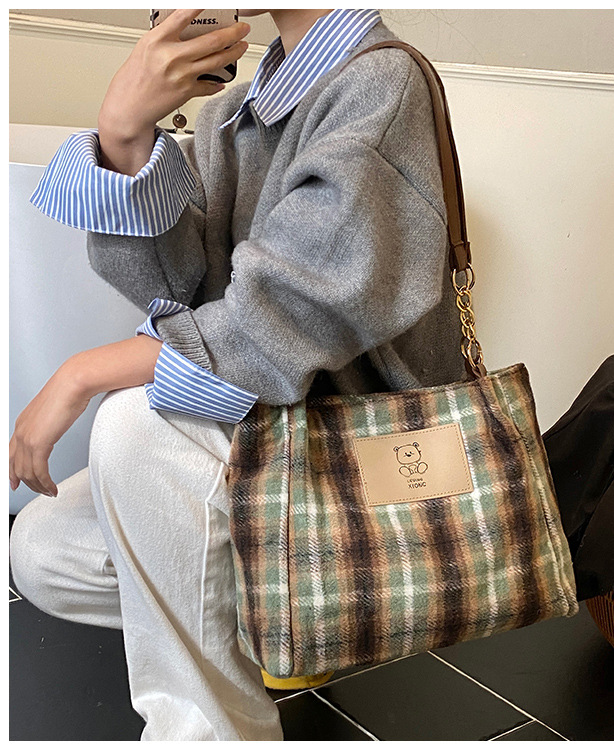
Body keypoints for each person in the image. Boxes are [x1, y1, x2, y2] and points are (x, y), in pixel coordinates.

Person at [9, 8, 464, 741]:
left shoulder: (381, 82)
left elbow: (287, 320)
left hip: (361, 470)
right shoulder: (230, 115)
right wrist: (124, 135)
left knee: (133, 423)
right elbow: (175, 291)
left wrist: (82, 374)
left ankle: (210, 730)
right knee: (44, 550)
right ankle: (281, 628)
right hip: (267, 447)